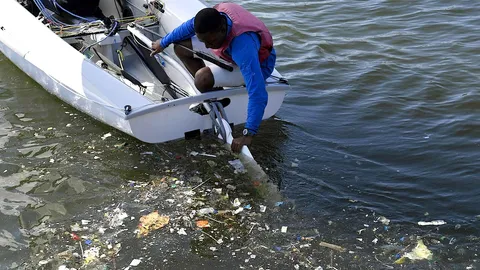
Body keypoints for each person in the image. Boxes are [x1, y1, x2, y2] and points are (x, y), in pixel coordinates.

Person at [150, 2, 276, 153]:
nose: (208, 47)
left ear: (222, 29)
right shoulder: (214, 18)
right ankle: (216, 95)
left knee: (201, 79)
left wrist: (248, 133)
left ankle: (213, 91)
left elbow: (258, 92)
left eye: (211, 42)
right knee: (181, 47)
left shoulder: (243, 47)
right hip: (228, 49)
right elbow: (188, 27)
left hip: (258, 66)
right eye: (204, 42)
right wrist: (163, 43)